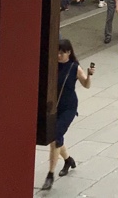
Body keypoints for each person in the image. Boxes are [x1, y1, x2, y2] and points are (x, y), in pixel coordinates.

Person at [40, 37, 94, 190]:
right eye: (57, 52)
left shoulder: (74, 67)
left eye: (62, 53)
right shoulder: (53, 65)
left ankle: (50, 175)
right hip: (54, 106)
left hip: (68, 107)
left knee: (55, 137)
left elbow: (86, 85)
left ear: (69, 52)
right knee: (55, 138)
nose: (59, 55)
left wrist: (89, 75)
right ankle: (68, 160)